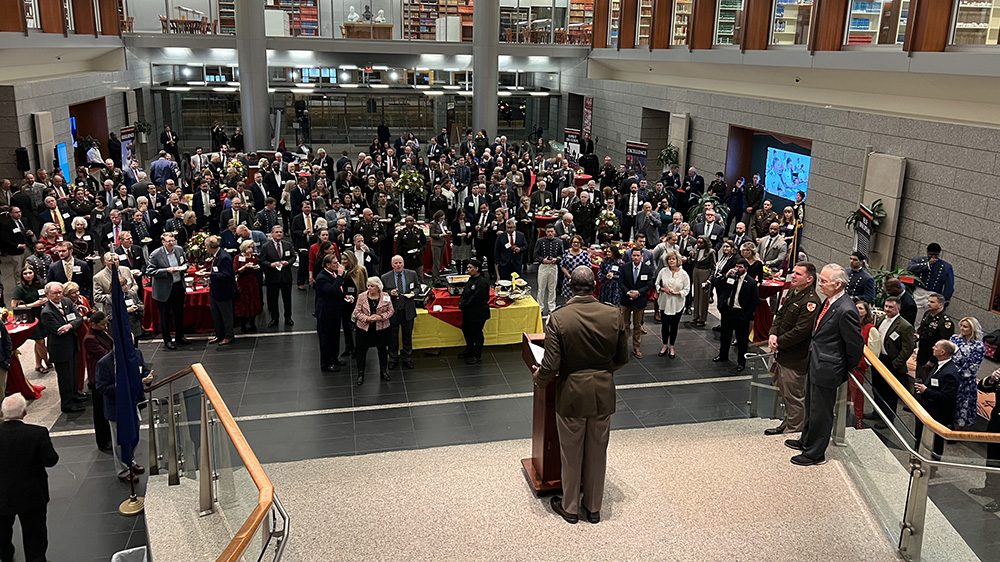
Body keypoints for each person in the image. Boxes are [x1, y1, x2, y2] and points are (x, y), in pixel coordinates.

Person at [533, 266, 628, 525]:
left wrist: (538, 380)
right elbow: (622, 358)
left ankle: (571, 507)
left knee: (571, 452)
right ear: (595, 284)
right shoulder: (613, 313)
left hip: (572, 392)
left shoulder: (559, 317)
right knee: (598, 451)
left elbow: (551, 364)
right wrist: (602, 371)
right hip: (603, 391)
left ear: (570, 286)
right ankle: (594, 508)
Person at [786, 264, 863, 466]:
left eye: (823, 281)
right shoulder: (830, 301)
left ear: (838, 284)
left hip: (829, 367)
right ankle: (806, 440)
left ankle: (815, 453)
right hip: (816, 361)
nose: (820, 285)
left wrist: (843, 368)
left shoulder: (846, 309)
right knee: (811, 405)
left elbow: (854, 346)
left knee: (821, 411)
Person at [0, 394, 59, 562]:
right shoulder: (37, 433)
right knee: (35, 536)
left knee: (2, 533)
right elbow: (51, 460)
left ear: (3, 413)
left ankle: (6, 555)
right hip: (32, 495)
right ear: (24, 412)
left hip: (2, 496)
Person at [765, 262, 821, 435]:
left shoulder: (811, 301)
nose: (793, 276)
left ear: (809, 279)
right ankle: (787, 423)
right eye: (794, 272)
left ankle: (794, 431)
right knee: (785, 394)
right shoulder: (793, 292)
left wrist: (779, 341)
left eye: (798, 274)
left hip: (795, 357)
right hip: (782, 353)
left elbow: (801, 331)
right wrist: (773, 333)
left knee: (794, 396)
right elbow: (780, 314)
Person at [95, 347, 152, 481]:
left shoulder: (136, 353)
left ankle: (130, 461)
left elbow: (144, 370)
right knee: (119, 440)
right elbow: (101, 387)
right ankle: (122, 470)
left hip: (134, 403)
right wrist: (127, 385)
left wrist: (147, 377)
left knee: (134, 435)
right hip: (116, 407)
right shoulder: (104, 363)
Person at [39, 282, 86, 413]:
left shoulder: (67, 302)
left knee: (74, 373)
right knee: (65, 378)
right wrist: (71, 324)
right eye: (54, 293)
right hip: (60, 348)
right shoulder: (46, 312)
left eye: (60, 292)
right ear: (47, 295)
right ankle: (67, 403)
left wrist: (69, 326)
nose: (58, 295)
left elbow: (79, 318)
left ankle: (75, 395)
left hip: (72, 343)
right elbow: (57, 329)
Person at [871, 296, 915, 423]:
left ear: (898, 308)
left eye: (891, 307)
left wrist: (896, 363)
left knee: (889, 392)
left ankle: (888, 419)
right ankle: (877, 412)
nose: (887, 309)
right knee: (877, 387)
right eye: (886, 306)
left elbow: (908, 348)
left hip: (892, 362)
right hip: (879, 359)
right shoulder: (881, 319)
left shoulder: (905, 326)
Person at [914, 339, 960, 460]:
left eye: (936, 346)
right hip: (927, 408)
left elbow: (948, 397)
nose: (933, 348)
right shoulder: (939, 364)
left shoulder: (950, 373)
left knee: (936, 441)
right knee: (920, 436)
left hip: (937, 413)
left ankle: (933, 465)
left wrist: (926, 391)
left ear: (943, 352)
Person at [145, 232, 191, 350]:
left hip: (178, 287)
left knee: (179, 314)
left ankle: (180, 337)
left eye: (173, 240)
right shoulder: (155, 254)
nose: (171, 243)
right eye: (168, 241)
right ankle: (167, 340)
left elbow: (185, 262)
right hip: (164, 290)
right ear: (163, 242)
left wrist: (184, 267)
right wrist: (166, 270)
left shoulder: (179, 250)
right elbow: (150, 271)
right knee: (165, 316)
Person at [713, 259, 758, 372]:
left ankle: (741, 362)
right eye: (736, 266)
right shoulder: (731, 277)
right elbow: (716, 283)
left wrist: (746, 315)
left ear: (746, 268)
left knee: (742, 340)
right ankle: (723, 355)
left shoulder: (751, 282)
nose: (737, 269)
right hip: (728, 311)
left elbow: (754, 301)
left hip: (741, 313)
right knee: (725, 336)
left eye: (740, 267)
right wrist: (725, 276)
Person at [352, 277, 394, 385]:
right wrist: (367, 318)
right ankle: (360, 373)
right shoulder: (362, 296)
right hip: (364, 329)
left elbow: (391, 311)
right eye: (368, 286)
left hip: (381, 329)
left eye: (372, 286)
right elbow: (356, 312)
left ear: (378, 287)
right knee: (361, 351)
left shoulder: (385, 296)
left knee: (382, 350)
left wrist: (380, 316)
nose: (369, 288)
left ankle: (383, 371)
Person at [9, 266, 51, 374]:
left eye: (30, 273)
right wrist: (32, 305)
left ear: (34, 273)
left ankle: (38, 365)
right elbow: (14, 306)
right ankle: (48, 361)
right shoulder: (20, 288)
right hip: (30, 317)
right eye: (25, 274)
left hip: (41, 314)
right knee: (40, 341)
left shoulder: (39, 284)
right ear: (22, 276)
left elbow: (45, 295)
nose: (28, 275)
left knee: (39, 342)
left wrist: (46, 299)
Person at [82, 311, 113, 453]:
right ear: (93, 324)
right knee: (100, 412)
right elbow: (105, 354)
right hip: (98, 379)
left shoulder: (103, 332)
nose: (105, 327)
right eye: (102, 324)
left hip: (108, 375)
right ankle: (103, 441)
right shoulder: (90, 338)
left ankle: (110, 436)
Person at [381, 256, 419, 370]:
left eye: (400, 262)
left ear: (403, 263)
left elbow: (418, 287)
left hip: (408, 310)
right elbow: (382, 293)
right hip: (393, 311)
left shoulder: (412, 274)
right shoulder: (385, 277)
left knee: (407, 336)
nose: (398, 265)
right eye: (396, 263)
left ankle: (407, 358)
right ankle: (393, 358)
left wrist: (414, 293)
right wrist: (389, 293)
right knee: (392, 337)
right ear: (392, 265)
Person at [849, 299, 882, 429]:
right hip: (846, 363)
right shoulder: (850, 323)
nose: (858, 310)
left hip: (858, 366)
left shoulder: (870, 328)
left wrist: (865, 363)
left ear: (866, 311)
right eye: (856, 307)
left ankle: (858, 418)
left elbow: (874, 351)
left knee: (857, 393)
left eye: (861, 308)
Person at [971, 367, 1000, 512]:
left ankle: (999, 499)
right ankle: (990, 487)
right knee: (992, 458)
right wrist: (992, 378)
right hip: (996, 422)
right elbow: (982, 387)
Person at [906, 242, 955, 326]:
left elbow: (949, 286)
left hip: (934, 293)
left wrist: (944, 300)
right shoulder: (918, 260)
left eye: (936, 255)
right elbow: (910, 269)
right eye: (931, 254)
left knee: (930, 318)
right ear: (927, 252)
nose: (933, 257)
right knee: (916, 317)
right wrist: (927, 264)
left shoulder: (946, 266)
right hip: (919, 291)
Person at [950, 317, 985, 429]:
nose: (962, 328)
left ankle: (957, 430)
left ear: (972, 329)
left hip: (965, 381)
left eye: (965, 326)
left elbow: (973, 366)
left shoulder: (978, 346)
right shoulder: (954, 339)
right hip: (950, 376)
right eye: (961, 325)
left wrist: (956, 373)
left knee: (961, 406)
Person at [315, 254, 346, 373]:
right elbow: (331, 290)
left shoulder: (332, 274)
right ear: (328, 265)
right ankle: (326, 363)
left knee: (334, 337)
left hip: (335, 311)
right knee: (326, 339)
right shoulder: (322, 277)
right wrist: (339, 276)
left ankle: (334, 358)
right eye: (335, 263)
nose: (338, 264)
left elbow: (338, 289)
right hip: (325, 313)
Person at [620, 247, 654, 359]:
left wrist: (638, 292)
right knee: (624, 325)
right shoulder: (625, 267)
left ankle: (636, 347)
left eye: (638, 255)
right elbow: (621, 282)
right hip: (626, 300)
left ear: (642, 256)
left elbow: (649, 285)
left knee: (637, 325)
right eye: (634, 255)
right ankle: (623, 348)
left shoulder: (647, 269)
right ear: (631, 256)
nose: (635, 257)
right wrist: (628, 292)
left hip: (639, 301)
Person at [655, 250, 689, 358]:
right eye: (669, 259)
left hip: (677, 303)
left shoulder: (683, 274)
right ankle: (664, 345)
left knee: (674, 326)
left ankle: (672, 346)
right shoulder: (663, 271)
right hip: (664, 302)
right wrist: (662, 289)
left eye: (673, 259)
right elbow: (656, 284)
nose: (671, 261)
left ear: (677, 260)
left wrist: (677, 293)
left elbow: (687, 289)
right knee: (665, 326)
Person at [260, 225, 295, 328]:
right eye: (277, 232)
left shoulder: (288, 245)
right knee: (273, 300)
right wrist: (271, 265)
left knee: (287, 299)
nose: (279, 234)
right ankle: (275, 318)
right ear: (272, 234)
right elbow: (262, 260)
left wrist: (288, 262)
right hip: (272, 277)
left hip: (286, 277)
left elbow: (293, 256)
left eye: (281, 232)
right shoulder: (266, 246)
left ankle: (288, 317)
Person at [458, 258, 491, 365]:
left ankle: (477, 354)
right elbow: (466, 292)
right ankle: (469, 349)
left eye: (470, 267)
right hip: (468, 312)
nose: (468, 269)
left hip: (478, 312)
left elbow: (476, 297)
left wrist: (464, 304)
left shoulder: (482, 282)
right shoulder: (471, 279)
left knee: (476, 333)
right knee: (466, 330)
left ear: (477, 269)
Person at [205, 236, 236, 347]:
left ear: (209, 247)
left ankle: (229, 336)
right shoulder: (216, 256)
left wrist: (211, 275)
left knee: (226, 315)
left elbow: (228, 275)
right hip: (215, 291)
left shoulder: (224, 257)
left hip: (224, 291)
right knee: (216, 314)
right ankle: (219, 334)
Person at [915, 293, 954, 379]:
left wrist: (932, 360)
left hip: (933, 357)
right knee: (917, 379)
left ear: (940, 305)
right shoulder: (927, 314)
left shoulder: (945, 322)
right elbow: (922, 329)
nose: (928, 303)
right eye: (928, 301)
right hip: (922, 353)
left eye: (932, 302)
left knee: (926, 381)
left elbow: (944, 344)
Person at [233, 241, 263, 333]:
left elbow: (257, 266)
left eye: (252, 247)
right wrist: (245, 267)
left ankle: (252, 323)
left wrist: (256, 267)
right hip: (242, 283)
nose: (251, 249)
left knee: (253, 301)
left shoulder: (254, 257)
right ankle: (243, 325)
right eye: (249, 247)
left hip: (253, 283)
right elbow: (235, 270)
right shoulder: (238, 257)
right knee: (243, 303)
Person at [534, 226, 563, 316]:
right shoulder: (540, 241)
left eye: (551, 231)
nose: (550, 233)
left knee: (552, 288)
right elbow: (535, 255)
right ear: (545, 232)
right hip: (543, 266)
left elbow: (561, 255)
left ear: (554, 232)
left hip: (553, 266)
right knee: (541, 288)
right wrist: (542, 260)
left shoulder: (559, 241)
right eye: (548, 231)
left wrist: (556, 259)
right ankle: (540, 306)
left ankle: (552, 307)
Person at [688, 236, 716, 328]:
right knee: (696, 295)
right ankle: (695, 316)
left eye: (701, 243)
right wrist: (691, 257)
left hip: (705, 273)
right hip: (696, 271)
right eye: (698, 242)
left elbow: (713, 268)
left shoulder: (711, 252)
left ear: (706, 243)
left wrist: (709, 280)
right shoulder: (696, 250)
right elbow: (691, 261)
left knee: (703, 297)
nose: (698, 244)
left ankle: (702, 318)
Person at [559, 235, 590, 300]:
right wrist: (570, 276)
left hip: (580, 281)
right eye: (574, 242)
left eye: (578, 242)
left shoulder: (584, 254)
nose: (576, 244)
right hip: (568, 280)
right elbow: (562, 266)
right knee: (568, 300)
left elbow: (588, 267)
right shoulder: (566, 252)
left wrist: (579, 277)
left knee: (579, 300)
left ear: (580, 243)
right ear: (571, 243)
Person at [428, 210, 449, 283]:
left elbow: (445, 230)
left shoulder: (443, 223)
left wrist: (447, 232)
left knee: (440, 262)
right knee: (436, 262)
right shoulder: (433, 224)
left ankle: (438, 276)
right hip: (436, 244)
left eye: (443, 218)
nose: (442, 220)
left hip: (442, 243)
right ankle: (435, 278)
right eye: (441, 218)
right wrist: (440, 235)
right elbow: (431, 234)